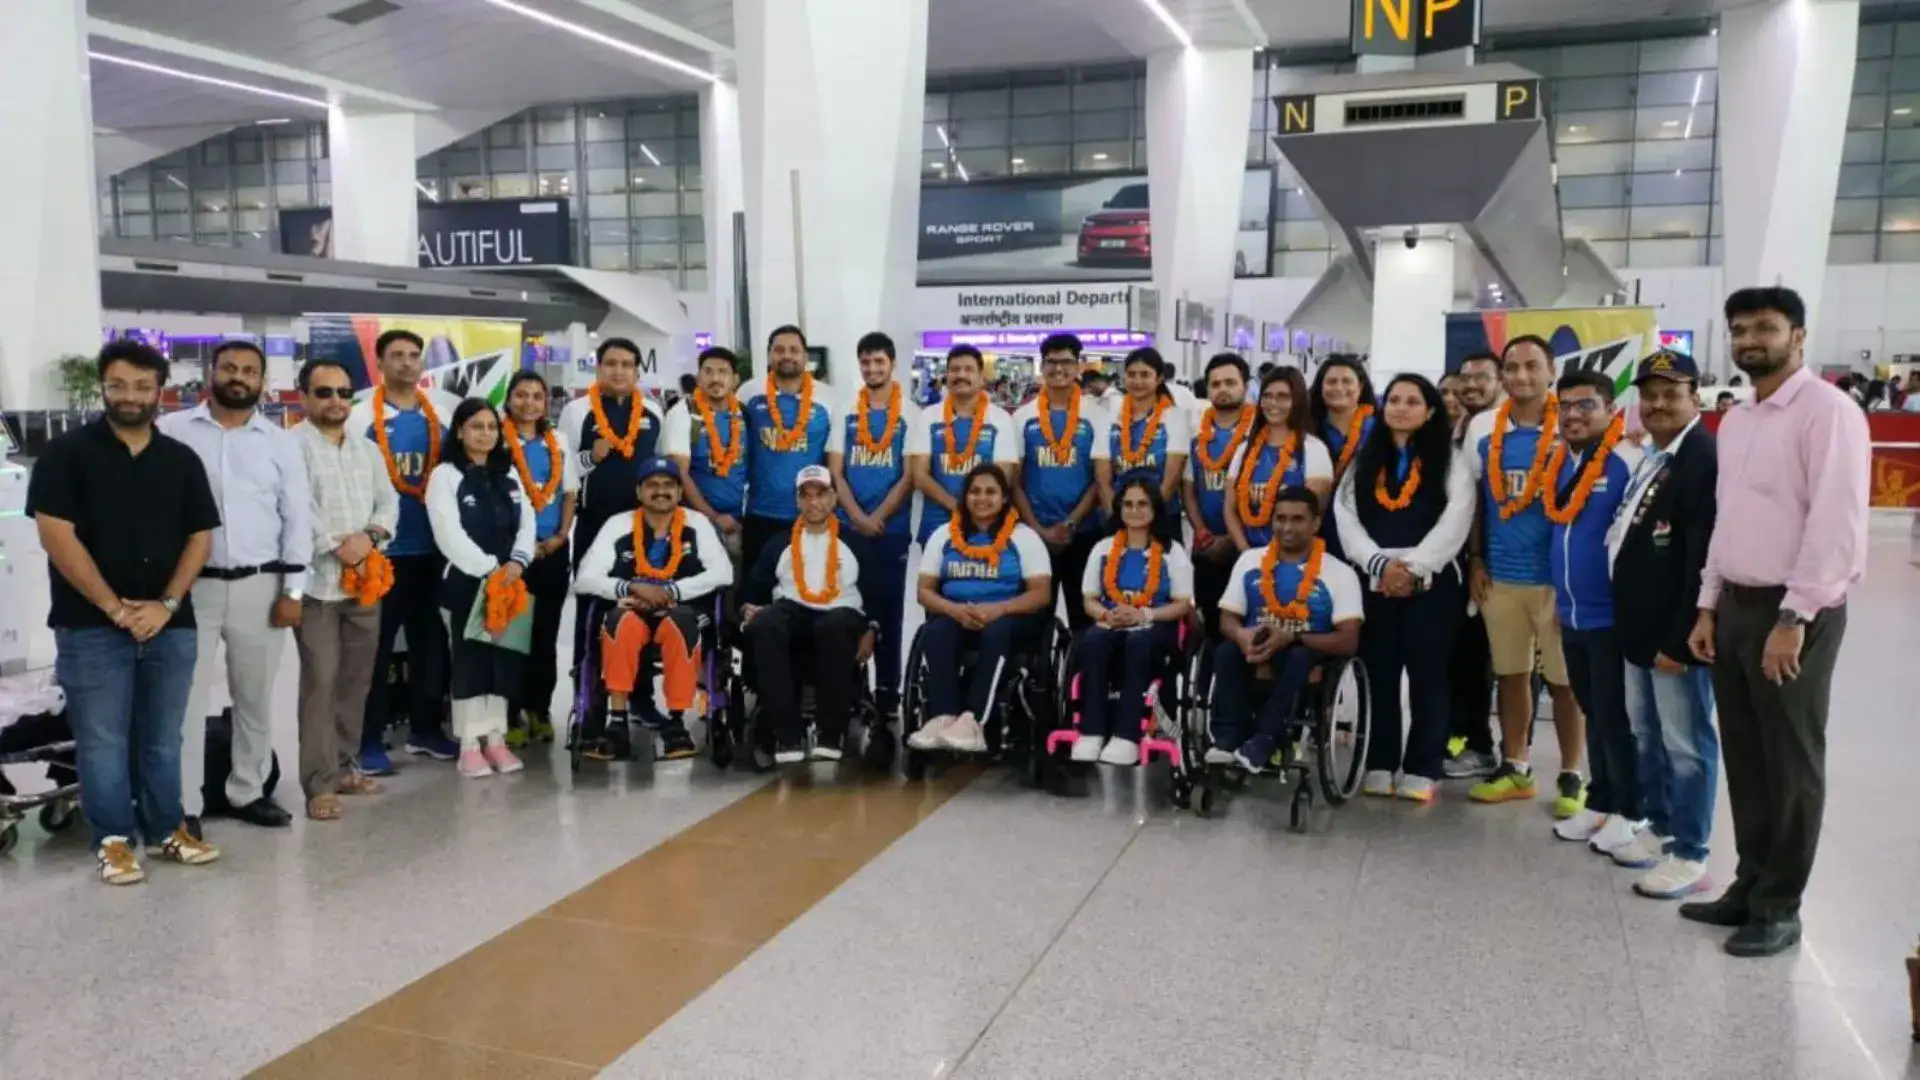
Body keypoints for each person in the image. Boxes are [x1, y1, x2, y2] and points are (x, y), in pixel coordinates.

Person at [1681, 286, 1870, 958]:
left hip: (1794, 612)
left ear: (1799, 335)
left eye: (1765, 327)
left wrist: (1795, 616)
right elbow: (1727, 523)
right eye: (1739, 329)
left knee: (1790, 760)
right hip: (1735, 604)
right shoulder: (1737, 419)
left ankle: (1781, 905)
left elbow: (1836, 525)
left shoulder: (1829, 413)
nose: (1750, 340)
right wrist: (1708, 604)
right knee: (1747, 753)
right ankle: (1750, 884)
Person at [26, 340, 222, 883]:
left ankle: (166, 830)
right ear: (103, 387)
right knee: (103, 739)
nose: (131, 396)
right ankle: (112, 839)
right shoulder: (66, 455)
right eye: (119, 385)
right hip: (91, 626)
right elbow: (56, 535)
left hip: (170, 625)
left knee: (163, 735)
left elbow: (199, 537)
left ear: (161, 390)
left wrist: (166, 605)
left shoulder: (181, 460)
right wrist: (114, 608)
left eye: (142, 386)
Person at [157, 340, 312, 832]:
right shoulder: (172, 432)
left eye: (249, 370)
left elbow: (296, 521)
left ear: (262, 381)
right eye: (230, 368)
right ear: (212, 374)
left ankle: (248, 790)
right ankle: (185, 805)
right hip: (190, 588)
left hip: (260, 587)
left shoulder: (280, 442)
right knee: (184, 701)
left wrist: (293, 592)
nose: (239, 377)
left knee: (255, 698)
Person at [1609, 350, 1720, 900]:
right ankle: (1660, 825)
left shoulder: (1700, 457)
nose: (1657, 403)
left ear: (1694, 397)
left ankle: (1691, 851)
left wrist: (1681, 639)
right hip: (1638, 628)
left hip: (1674, 635)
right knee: (1646, 735)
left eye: (1670, 393)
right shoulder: (1655, 455)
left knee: (1686, 745)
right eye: (1649, 394)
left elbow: (1700, 558)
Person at [1334, 374, 1475, 802]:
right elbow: (1345, 515)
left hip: (1431, 580)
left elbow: (1458, 517)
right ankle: (1379, 761)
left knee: (1428, 674)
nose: (1400, 407)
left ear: (1430, 410)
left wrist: (1412, 568)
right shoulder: (1365, 459)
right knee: (1379, 671)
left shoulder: (1450, 460)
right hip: (1374, 580)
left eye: (1412, 401)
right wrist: (1379, 564)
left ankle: (1422, 765)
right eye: (1393, 399)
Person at [1463, 335, 1587, 816]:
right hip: (1500, 577)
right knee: (1510, 676)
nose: (1521, 376)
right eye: (1511, 367)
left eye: (1532, 366)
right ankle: (1516, 766)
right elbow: (1475, 498)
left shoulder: (1573, 425)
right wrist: (1475, 558)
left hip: (1557, 579)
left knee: (1564, 682)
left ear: (1551, 372)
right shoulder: (1482, 427)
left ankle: (1573, 773)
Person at [1538, 370, 1647, 857]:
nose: (1574, 415)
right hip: (1572, 614)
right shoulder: (1560, 461)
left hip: (1611, 617)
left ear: (1610, 409)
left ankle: (1630, 807)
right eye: (1565, 406)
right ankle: (1600, 799)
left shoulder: (1629, 460)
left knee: (1615, 716)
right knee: (1592, 711)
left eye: (1586, 405)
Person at [346, 329, 463, 773]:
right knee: (374, 651)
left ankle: (426, 729)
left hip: (434, 551)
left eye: (414, 355)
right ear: (380, 363)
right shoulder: (360, 418)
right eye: (396, 355)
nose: (407, 363)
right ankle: (368, 739)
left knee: (431, 646)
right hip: (383, 552)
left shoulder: (443, 413)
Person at [290, 357, 400, 822]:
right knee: (321, 682)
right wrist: (337, 545)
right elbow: (295, 508)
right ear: (303, 397)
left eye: (343, 393)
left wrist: (370, 538)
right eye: (324, 392)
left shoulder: (366, 447)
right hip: (316, 586)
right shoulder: (290, 447)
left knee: (356, 681)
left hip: (365, 585)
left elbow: (388, 501)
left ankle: (345, 767)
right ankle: (318, 783)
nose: (335, 401)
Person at [574, 458, 733, 761]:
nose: (661, 492)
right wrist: (630, 587)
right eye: (652, 485)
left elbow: (723, 573)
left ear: (678, 491)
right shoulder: (617, 525)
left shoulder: (697, 524)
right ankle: (617, 722)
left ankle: (676, 723)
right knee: (620, 624)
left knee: (681, 626)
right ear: (639, 492)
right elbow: (585, 578)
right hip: (631, 606)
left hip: (681, 607)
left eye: (668, 486)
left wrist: (671, 591)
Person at [1211, 487, 1363, 772]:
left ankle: (1265, 738)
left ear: (1316, 523)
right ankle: (1228, 736)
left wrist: (1292, 636)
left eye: (1297, 519)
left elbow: (1349, 641)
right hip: (1253, 651)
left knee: (1299, 657)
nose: (1287, 527)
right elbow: (1227, 619)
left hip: (1305, 657)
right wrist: (1241, 635)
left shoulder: (1339, 573)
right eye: (1280, 519)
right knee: (1225, 650)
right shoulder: (1249, 561)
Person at [907, 464, 1054, 754]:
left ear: (1004, 498)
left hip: (1009, 617)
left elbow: (1041, 594)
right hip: (957, 614)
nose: (982, 498)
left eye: (990, 492)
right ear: (964, 496)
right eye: (974, 491)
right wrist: (954, 610)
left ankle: (973, 720)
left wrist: (999, 609)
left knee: (998, 632)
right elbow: (924, 591)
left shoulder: (1023, 537)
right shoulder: (943, 535)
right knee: (935, 631)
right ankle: (942, 716)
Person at [424, 399, 536, 779]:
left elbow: (527, 521)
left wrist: (518, 561)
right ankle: (470, 745)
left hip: (510, 583)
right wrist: (491, 569)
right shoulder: (445, 476)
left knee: (502, 659)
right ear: (459, 431)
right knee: (469, 661)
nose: (485, 433)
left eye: (491, 426)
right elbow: (448, 533)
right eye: (476, 426)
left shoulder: (508, 473)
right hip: (466, 582)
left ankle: (497, 739)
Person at [742, 466, 877, 763]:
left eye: (821, 494)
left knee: (833, 625)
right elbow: (753, 588)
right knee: (765, 623)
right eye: (807, 496)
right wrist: (748, 607)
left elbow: (876, 594)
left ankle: (831, 733)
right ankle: (786, 734)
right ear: (797, 501)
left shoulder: (854, 542)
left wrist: (872, 629)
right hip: (793, 610)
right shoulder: (780, 542)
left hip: (842, 613)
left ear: (833, 499)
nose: (814, 503)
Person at [559, 337, 667, 695]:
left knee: (640, 608)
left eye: (626, 364)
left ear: (637, 370)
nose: (618, 370)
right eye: (611, 363)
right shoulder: (577, 411)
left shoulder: (652, 410)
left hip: (643, 527)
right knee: (592, 605)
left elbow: (661, 468)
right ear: (599, 367)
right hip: (594, 523)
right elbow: (562, 470)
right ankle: (586, 691)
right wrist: (591, 456)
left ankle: (639, 696)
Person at [827, 332, 918, 723]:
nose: (872, 369)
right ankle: (851, 686)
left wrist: (878, 516)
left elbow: (911, 475)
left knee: (889, 612)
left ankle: (888, 690)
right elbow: (835, 470)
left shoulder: (911, 413)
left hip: (892, 531)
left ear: (892, 363)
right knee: (849, 606)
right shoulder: (845, 410)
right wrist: (858, 518)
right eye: (866, 362)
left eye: (879, 361)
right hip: (849, 528)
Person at [1071, 478, 1195, 765]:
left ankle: (1127, 736)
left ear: (1155, 510)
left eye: (1142, 504)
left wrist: (1144, 615)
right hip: (1112, 622)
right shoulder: (1102, 548)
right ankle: (1092, 731)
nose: (1134, 510)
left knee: (1139, 640)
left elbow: (1181, 605)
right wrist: (1105, 615)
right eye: (1128, 504)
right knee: (1091, 640)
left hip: (1156, 625)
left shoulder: (1171, 551)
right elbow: (1089, 599)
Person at [1012, 333, 1110, 636]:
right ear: (1041, 366)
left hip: (1085, 531)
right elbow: (1014, 481)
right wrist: (1039, 529)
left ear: (1078, 366)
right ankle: (1038, 682)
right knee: (1035, 619)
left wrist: (1070, 522)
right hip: (1034, 532)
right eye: (1051, 362)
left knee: (1085, 617)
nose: (1058, 369)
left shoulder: (1098, 415)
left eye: (1066, 362)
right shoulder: (1022, 416)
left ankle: (1080, 680)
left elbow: (1100, 478)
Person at [502, 371, 579, 747]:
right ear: (509, 399)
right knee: (512, 635)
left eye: (537, 396)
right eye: (521, 395)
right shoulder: (498, 440)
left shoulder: (557, 441)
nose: (529, 403)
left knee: (545, 637)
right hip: (512, 555)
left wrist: (561, 536)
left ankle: (539, 708)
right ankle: (511, 711)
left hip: (552, 550)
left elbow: (569, 495)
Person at [1443, 352, 1502, 779]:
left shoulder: (1503, 426)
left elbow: (1480, 501)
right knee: (1462, 652)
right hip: (1457, 557)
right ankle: (1462, 735)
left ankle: (1484, 745)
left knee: (1485, 657)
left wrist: (1479, 556)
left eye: (1482, 376)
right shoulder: (1465, 428)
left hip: (1496, 560)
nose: (1470, 385)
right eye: (1464, 377)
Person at [741, 325, 840, 572]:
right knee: (756, 589)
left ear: (805, 357)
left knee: (807, 583)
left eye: (794, 350)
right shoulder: (748, 393)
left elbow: (835, 459)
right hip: (759, 512)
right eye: (779, 350)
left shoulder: (829, 398)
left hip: (811, 514)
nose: (787, 355)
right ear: (769, 355)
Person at [909, 344, 1020, 547]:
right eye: (954, 369)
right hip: (936, 525)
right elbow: (919, 477)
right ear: (947, 376)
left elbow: (1003, 477)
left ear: (981, 378)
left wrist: (975, 511)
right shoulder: (929, 416)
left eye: (968, 369)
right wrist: (959, 508)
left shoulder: (1000, 419)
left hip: (986, 524)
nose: (961, 375)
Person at [1182, 353, 1258, 637]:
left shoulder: (1259, 433)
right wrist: (1202, 532)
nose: (1222, 389)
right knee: (1211, 624)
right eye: (1216, 384)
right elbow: (1189, 489)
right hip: (1206, 546)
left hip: (1247, 545)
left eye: (1230, 382)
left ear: (1245, 385)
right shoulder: (1197, 433)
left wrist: (1231, 538)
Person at [1224, 367, 1333, 554]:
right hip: (1247, 555)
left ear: (1297, 401)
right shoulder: (1245, 450)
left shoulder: (1313, 449)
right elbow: (1229, 509)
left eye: (1283, 396)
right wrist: (1246, 553)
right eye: (1267, 396)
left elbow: (1314, 515)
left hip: (1296, 558)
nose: (1272, 403)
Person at [662, 346, 749, 558]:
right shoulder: (684, 413)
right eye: (708, 372)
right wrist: (714, 516)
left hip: (740, 521)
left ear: (735, 380)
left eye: (723, 372)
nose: (715, 378)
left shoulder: (743, 414)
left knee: (738, 584)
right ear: (698, 378)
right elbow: (679, 473)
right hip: (695, 521)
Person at [1101, 347, 1190, 526]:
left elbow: (1171, 481)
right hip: (1119, 518)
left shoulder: (1174, 417)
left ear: (1159, 379)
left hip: (1162, 517)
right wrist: (1120, 518)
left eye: (1145, 374)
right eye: (1131, 374)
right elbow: (1102, 479)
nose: (1137, 381)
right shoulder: (1108, 416)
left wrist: (1147, 518)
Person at [1308, 355, 1378, 563]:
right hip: (1319, 527)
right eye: (1331, 381)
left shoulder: (1381, 429)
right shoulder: (1307, 429)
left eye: (1346, 381)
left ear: (1361, 385)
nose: (1339, 387)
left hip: (1369, 527)